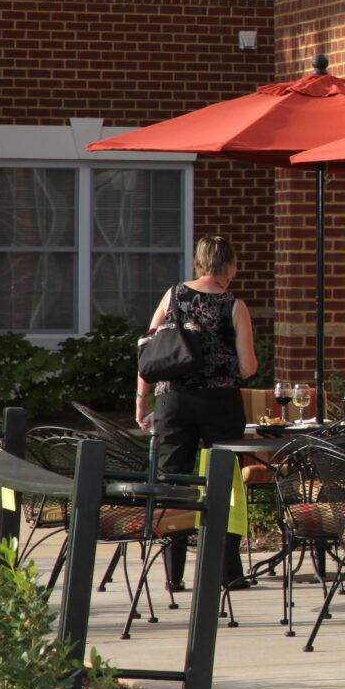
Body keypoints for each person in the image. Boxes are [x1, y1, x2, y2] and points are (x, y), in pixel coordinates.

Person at [137, 235, 258, 591]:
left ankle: (174, 575)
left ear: (199, 262)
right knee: (225, 482)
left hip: (173, 400)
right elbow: (248, 368)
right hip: (219, 402)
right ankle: (228, 573)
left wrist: (142, 400)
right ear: (230, 265)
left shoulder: (172, 296)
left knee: (172, 481)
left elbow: (148, 351)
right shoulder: (234, 305)